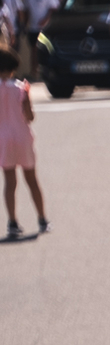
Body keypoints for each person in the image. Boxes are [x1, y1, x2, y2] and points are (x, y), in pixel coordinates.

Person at [0, 49, 41, 239]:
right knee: (31, 180)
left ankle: (12, 222)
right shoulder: (21, 88)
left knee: (10, 182)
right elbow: (30, 116)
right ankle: (42, 218)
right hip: (22, 137)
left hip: (3, 138)